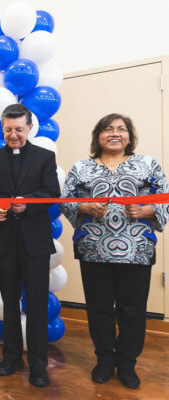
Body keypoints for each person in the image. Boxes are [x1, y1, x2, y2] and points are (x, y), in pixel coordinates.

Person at [59, 113, 169, 389]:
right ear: (98, 136)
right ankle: (104, 360)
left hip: (137, 250)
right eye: (108, 129)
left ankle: (128, 363)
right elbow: (65, 201)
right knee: (98, 308)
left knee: (132, 309)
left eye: (122, 129)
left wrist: (145, 210)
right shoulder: (81, 168)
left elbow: (165, 197)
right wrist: (84, 207)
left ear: (130, 137)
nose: (115, 133)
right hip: (93, 249)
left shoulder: (147, 164)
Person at [0, 104, 60, 387]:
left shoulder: (45, 157)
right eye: (8, 130)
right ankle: (11, 357)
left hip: (35, 242)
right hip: (4, 243)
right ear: (3, 129)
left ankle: (38, 364)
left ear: (29, 128)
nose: (14, 135)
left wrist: (29, 204)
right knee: (10, 303)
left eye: (19, 129)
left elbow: (51, 194)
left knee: (36, 304)